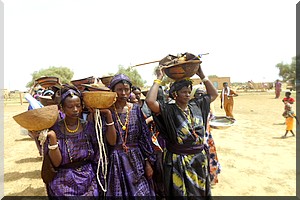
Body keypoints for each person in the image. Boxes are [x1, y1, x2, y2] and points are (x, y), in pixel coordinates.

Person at [145, 53, 218, 198]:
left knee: (199, 193)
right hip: (178, 160)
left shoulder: (197, 105)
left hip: (198, 159)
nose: (187, 94)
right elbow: (150, 102)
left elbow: (214, 94)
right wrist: (159, 78)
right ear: (175, 94)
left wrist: (202, 74)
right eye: (184, 92)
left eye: (189, 91)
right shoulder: (168, 110)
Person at [38, 84, 117, 197]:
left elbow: (97, 156)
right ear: (62, 108)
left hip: (89, 178)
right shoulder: (55, 130)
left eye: (78, 106)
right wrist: (52, 138)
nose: (75, 110)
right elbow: (55, 162)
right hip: (63, 181)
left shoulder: (88, 127)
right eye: (70, 107)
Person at [106, 74, 156, 198]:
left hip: (136, 159)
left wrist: (148, 162)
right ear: (113, 91)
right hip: (116, 161)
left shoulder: (135, 109)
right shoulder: (107, 111)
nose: (123, 93)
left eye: (126, 89)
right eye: (119, 89)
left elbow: (144, 137)